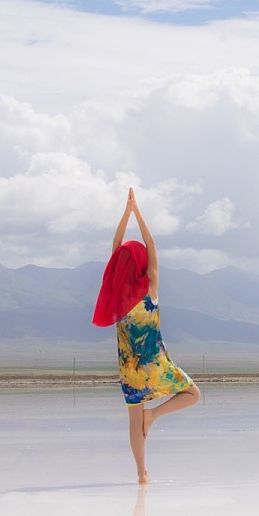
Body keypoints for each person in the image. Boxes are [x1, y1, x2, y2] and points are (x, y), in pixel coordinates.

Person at [93, 188, 201, 483]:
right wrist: (136, 212)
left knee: (132, 420)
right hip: (155, 364)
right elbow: (151, 243)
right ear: (141, 264)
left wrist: (125, 213)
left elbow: (116, 249)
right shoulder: (150, 289)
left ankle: (141, 474)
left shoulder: (117, 298)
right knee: (193, 394)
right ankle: (154, 416)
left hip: (129, 370)